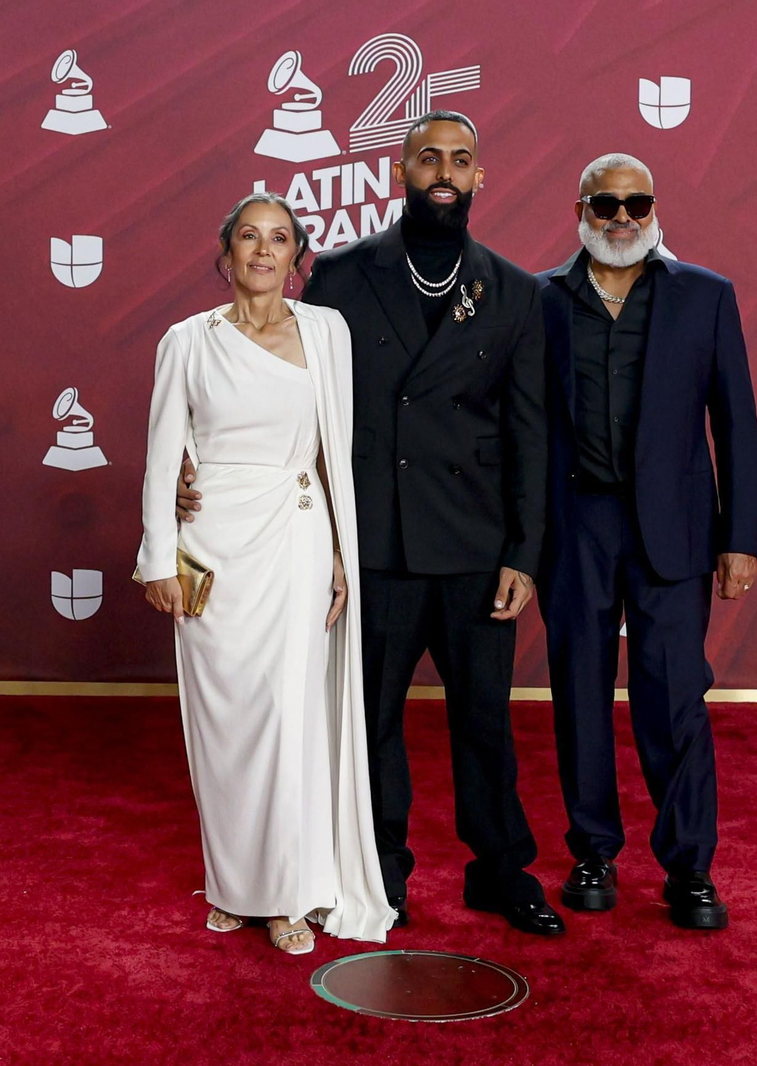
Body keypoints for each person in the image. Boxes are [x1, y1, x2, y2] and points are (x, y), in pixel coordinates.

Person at [180, 112, 564, 936]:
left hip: (473, 547)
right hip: (371, 544)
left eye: (461, 159)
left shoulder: (516, 291)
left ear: (480, 176)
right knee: (368, 725)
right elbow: (294, 405)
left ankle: (501, 871)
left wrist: (525, 552)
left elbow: (533, 433)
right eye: (429, 158)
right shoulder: (343, 278)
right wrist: (199, 472)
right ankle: (376, 871)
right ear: (399, 171)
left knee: (485, 721)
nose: (445, 173)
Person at [138, 192, 395, 955]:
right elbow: (161, 456)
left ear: (297, 256)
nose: (262, 250)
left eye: (278, 239)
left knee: (289, 719)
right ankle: (233, 886)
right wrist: (158, 558)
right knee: (226, 725)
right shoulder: (186, 340)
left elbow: (335, 452)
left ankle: (286, 895)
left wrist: (346, 556)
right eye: (248, 237)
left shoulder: (328, 332)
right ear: (227, 254)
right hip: (213, 549)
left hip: (298, 537)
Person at [536, 153, 757, 930]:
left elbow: (736, 424)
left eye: (638, 202)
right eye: (608, 204)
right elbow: (518, 428)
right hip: (575, 528)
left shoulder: (704, 296)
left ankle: (690, 867)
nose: (624, 216)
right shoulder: (539, 301)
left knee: (675, 700)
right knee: (580, 695)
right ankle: (592, 851)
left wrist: (742, 538)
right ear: (582, 209)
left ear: (655, 208)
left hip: (676, 530)